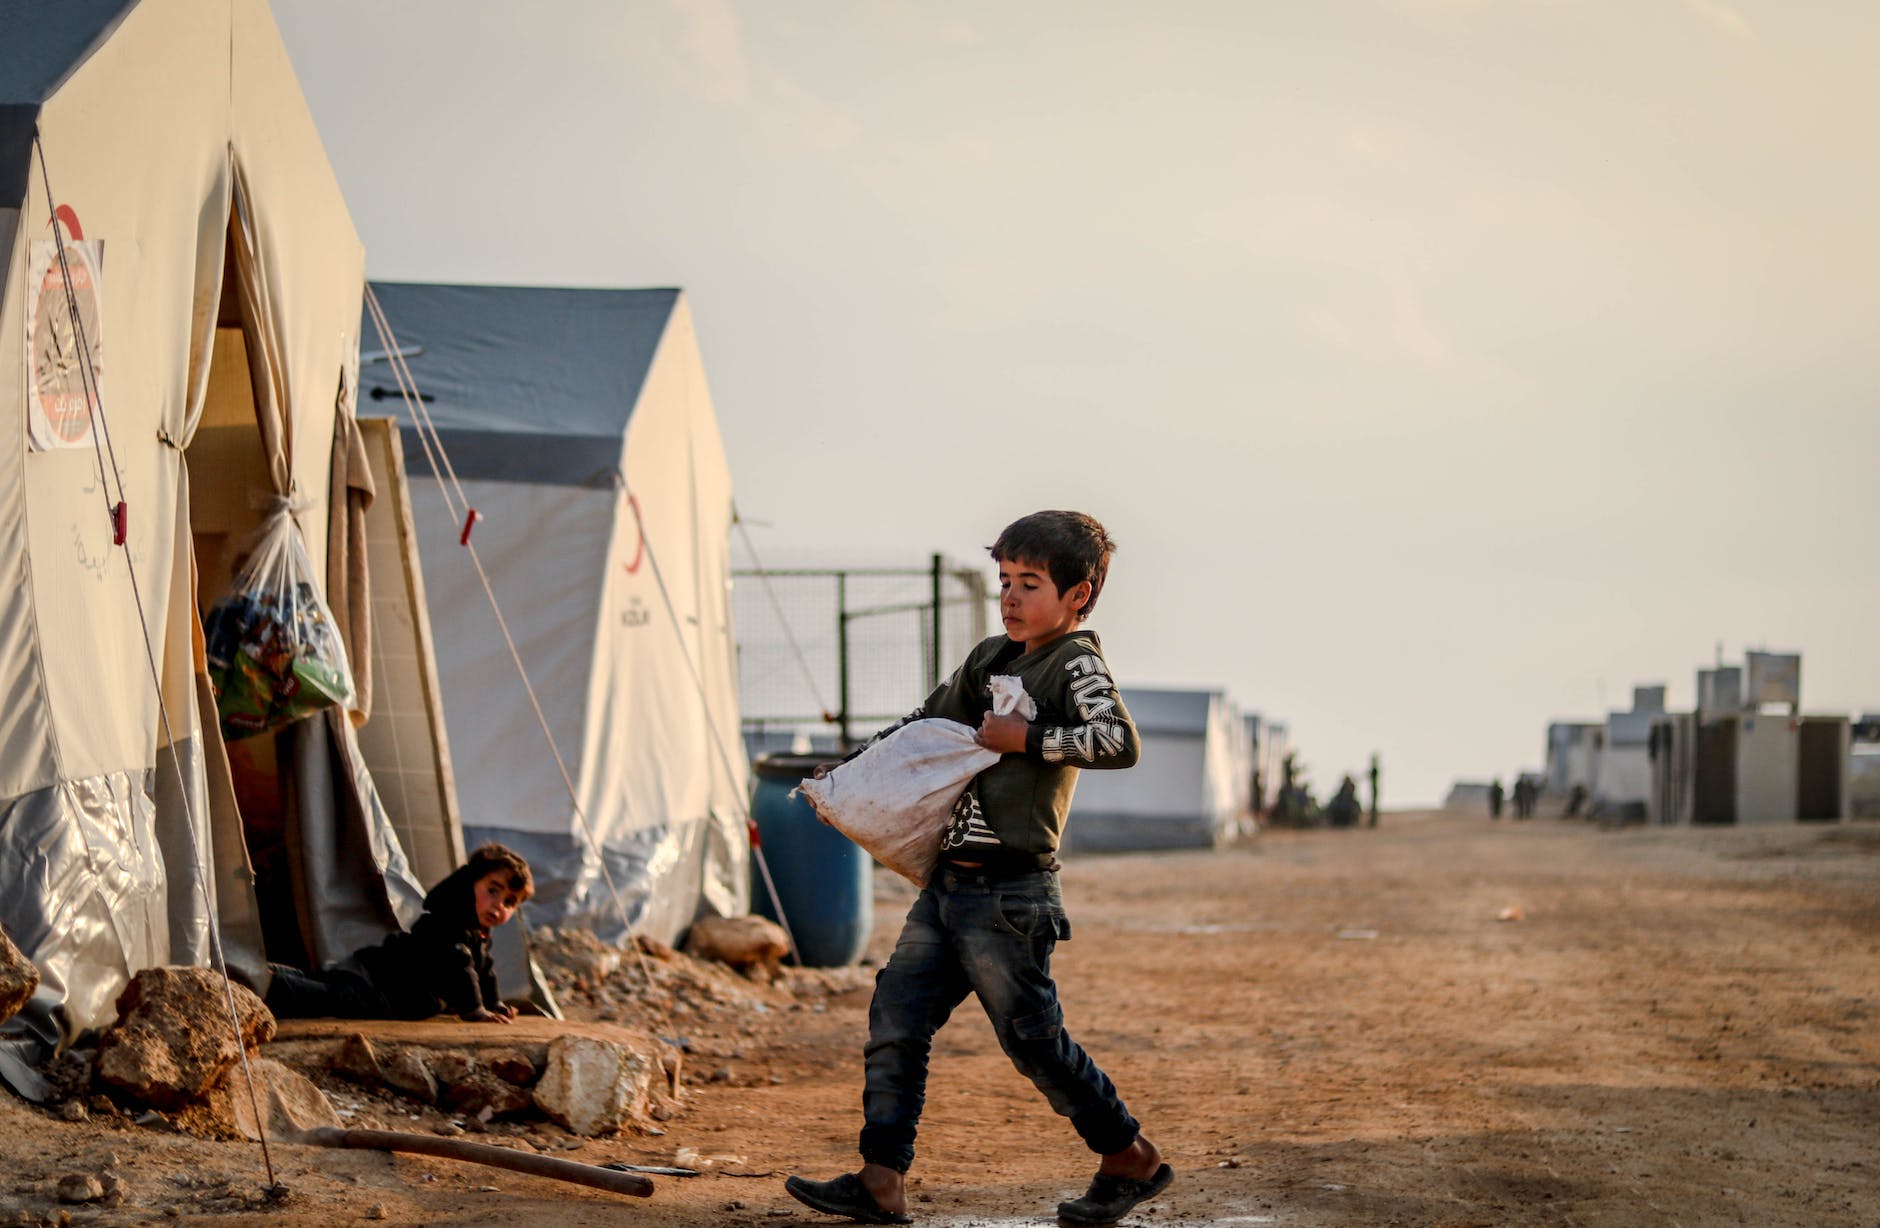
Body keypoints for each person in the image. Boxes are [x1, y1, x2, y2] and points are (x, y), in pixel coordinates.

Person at [785, 511, 1169, 1227]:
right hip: (949, 884)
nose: (1012, 598)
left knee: (1032, 1039)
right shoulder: (993, 657)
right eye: (1005, 581)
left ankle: (1130, 1156)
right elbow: (923, 722)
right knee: (896, 1017)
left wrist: (1027, 736)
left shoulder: (1074, 662)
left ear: (1078, 595)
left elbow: (1117, 740)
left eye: (1030, 583)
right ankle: (880, 1179)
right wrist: (845, 778)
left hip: (1012, 891)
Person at [260, 843, 533, 1023]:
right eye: (493, 890)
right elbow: (460, 964)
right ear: (469, 883)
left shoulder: (475, 930)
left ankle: (264, 973)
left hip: (382, 982)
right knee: (330, 999)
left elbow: (484, 967)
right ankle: (266, 983)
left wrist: (494, 1002)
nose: (499, 905)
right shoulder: (450, 923)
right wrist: (475, 1011)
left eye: (509, 902)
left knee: (324, 985)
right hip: (381, 984)